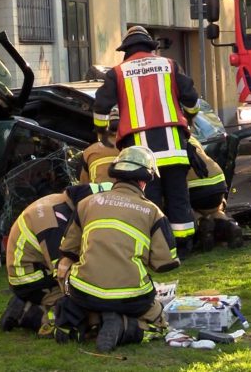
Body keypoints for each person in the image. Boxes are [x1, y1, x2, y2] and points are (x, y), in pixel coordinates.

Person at [55, 146, 179, 353]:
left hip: (83, 292)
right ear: (144, 180)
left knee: (82, 291)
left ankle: (76, 323)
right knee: (158, 323)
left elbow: (68, 249)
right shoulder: (152, 212)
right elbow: (165, 262)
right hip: (129, 296)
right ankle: (123, 326)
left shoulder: (86, 203)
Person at [93, 26, 201, 256]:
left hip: (140, 156)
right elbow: (191, 98)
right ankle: (183, 248)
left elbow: (101, 106)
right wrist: (190, 117)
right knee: (178, 198)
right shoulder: (170, 66)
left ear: (126, 51)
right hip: (174, 147)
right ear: (151, 48)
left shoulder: (118, 73)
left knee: (149, 202)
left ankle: (156, 249)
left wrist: (102, 132)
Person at [0, 182, 112, 335]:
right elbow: (62, 272)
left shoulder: (62, 204)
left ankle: (29, 303)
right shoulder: (54, 222)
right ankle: (28, 314)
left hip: (36, 269)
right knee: (81, 318)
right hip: (31, 279)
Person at [186, 136, 243, 251]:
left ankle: (203, 225)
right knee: (214, 210)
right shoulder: (190, 137)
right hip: (217, 181)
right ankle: (230, 225)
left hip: (195, 185)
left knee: (178, 203)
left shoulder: (162, 141)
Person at [78, 106, 120, 184]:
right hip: (127, 193)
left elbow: (83, 185)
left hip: (98, 195)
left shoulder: (90, 151)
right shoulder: (134, 149)